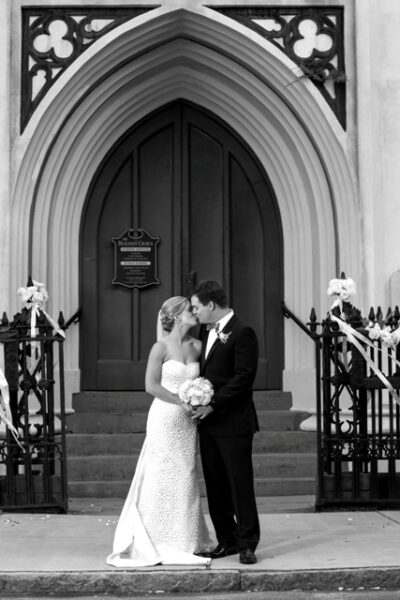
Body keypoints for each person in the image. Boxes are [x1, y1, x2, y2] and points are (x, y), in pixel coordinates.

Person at [106, 296, 214, 568]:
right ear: (177, 316)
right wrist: (183, 400)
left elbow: (206, 379)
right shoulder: (160, 348)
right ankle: (156, 538)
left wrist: (200, 398)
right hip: (165, 418)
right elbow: (151, 386)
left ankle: (187, 540)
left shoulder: (198, 346)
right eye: (190, 310)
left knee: (186, 472)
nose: (194, 313)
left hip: (188, 423)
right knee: (161, 473)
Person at [191, 280, 260, 565]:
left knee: (239, 484)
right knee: (216, 485)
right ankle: (227, 540)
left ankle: (247, 544)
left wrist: (213, 404)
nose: (194, 313)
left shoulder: (243, 332)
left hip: (233, 423)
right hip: (208, 425)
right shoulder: (204, 332)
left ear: (210, 305)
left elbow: (243, 378)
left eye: (196, 307)